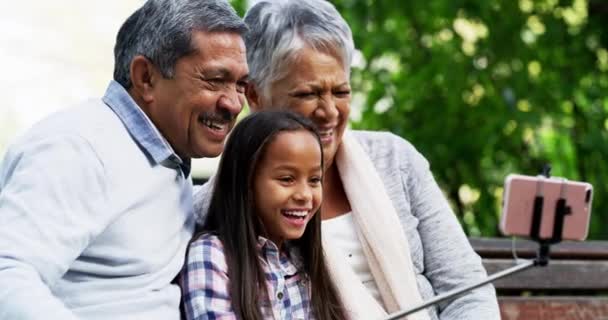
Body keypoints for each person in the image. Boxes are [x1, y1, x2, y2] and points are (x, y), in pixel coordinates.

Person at [194, 0, 501, 319]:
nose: (329, 112)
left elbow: (467, 291)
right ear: (255, 96)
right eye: (307, 94)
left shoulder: (395, 160)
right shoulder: (225, 206)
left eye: (340, 92)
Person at [0, 0, 248, 319]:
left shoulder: (168, 154)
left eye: (240, 84)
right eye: (215, 79)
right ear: (146, 78)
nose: (233, 103)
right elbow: (7, 273)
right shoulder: (77, 146)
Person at [182, 111, 346, 320]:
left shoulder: (305, 259)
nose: (305, 195)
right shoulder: (212, 255)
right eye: (287, 179)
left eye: (314, 180)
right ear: (246, 183)